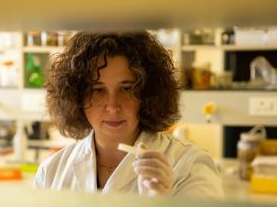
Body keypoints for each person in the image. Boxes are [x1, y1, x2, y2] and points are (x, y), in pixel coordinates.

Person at [33, 31, 224, 198]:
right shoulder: (52, 171)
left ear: (148, 93)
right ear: (76, 97)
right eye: (98, 90)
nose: (113, 106)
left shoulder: (190, 166)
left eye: (126, 88)